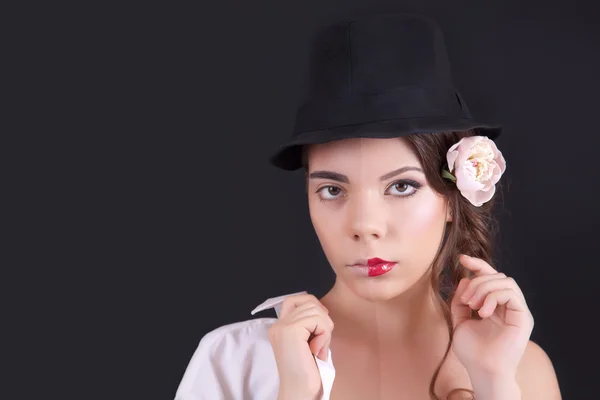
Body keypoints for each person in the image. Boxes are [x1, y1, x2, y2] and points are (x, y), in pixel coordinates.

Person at [174, 13, 562, 400]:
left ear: (453, 197)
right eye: (331, 190)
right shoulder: (232, 361)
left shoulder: (516, 368)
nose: (364, 225)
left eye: (402, 186)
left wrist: (494, 382)